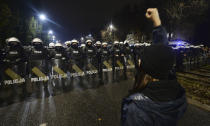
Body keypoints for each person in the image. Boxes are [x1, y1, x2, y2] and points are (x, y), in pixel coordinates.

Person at [121, 8, 187, 126]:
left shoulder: (136, 108)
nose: (139, 60)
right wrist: (157, 23)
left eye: (142, 58)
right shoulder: (177, 94)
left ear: (147, 68)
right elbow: (162, 54)